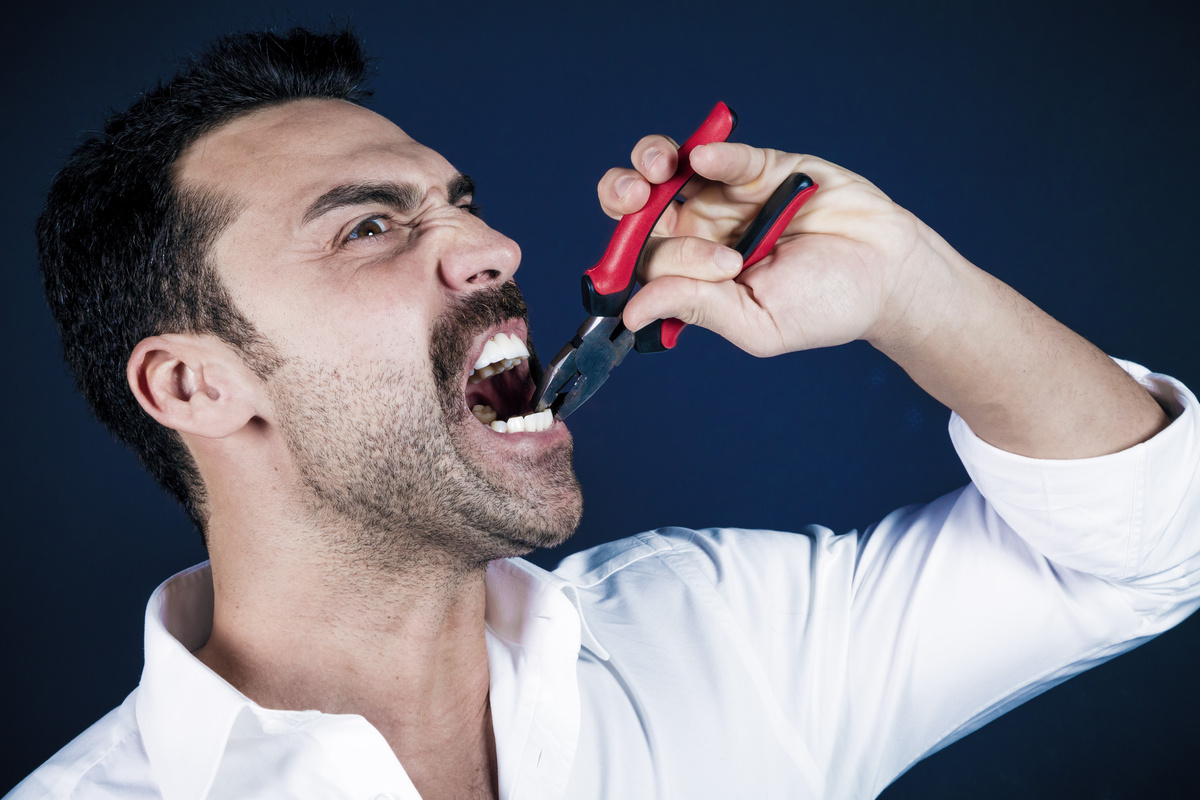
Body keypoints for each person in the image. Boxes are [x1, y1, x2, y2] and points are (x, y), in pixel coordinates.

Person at [9, 24, 1199, 800]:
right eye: (369, 227)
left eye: (459, 203)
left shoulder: (728, 641)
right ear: (195, 384)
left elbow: (1141, 549)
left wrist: (908, 286)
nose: (493, 244)